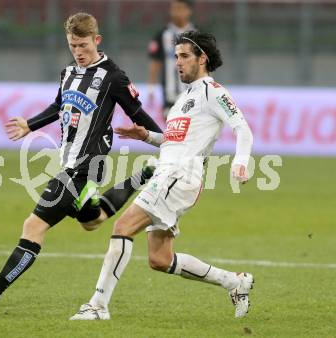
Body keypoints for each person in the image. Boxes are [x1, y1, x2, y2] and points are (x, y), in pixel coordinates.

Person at [0, 12, 162, 311]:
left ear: (96, 40)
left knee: (33, 226)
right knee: (93, 222)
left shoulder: (113, 76)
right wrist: (30, 125)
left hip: (82, 168)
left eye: (83, 45)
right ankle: (143, 174)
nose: (79, 52)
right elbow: (59, 105)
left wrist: (166, 141)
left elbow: (138, 114)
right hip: (70, 164)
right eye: (73, 46)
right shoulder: (68, 72)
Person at [70, 30, 255, 320]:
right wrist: (146, 135)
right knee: (159, 259)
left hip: (178, 177)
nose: (177, 63)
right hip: (170, 176)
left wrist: (240, 162)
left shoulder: (213, 91)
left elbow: (242, 128)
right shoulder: (184, 98)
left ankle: (97, 306)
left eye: (184, 56)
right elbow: (174, 139)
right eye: (176, 57)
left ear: (202, 58)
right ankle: (235, 282)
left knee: (122, 227)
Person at [147, 0, 196, 118]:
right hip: (170, 95)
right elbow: (155, 62)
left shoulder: (197, 34)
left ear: (189, 11)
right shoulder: (162, 34)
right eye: (173, 9)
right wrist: (151, 88)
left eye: (179, 8)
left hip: (193, 94)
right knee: (172, 132)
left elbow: (205, 63)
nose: (175, 12)